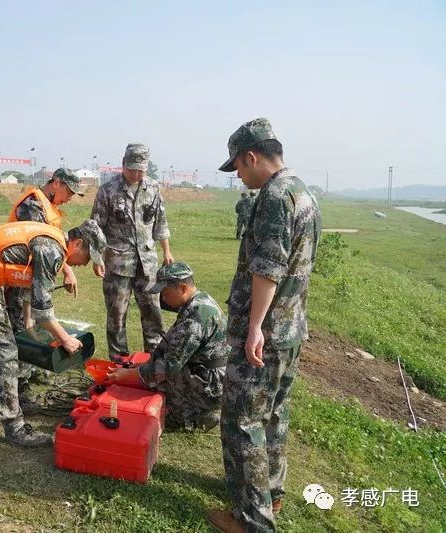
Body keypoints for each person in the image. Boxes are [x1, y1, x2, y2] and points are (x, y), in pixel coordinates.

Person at [206, 118, 322, 533]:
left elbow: (269, 267)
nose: (238, 175)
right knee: (273, 415)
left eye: (237, 166)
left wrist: (254, 327)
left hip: (267, 336)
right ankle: (271, 494)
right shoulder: (303, 192)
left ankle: (253, 522)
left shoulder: (274, 196)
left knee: (243, 421)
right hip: (291, 331)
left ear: (252, 156)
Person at [0, 219, 107, 447]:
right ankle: (14, 428)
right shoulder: (51, 250)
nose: (85, 264)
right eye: (87, 256)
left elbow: (25, 282)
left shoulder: (52, 243)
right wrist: (65, 339)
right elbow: (43, 310)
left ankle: (17, 398)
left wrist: (27, 324)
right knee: (0, 351)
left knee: (8, 343)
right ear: (78, 243)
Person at [106, 262, 228, 431]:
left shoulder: (195, 318)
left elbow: (169, 367)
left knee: (154, 391)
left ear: (183, 288)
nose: (163, 299)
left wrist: (131, 375)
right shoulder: (200, 300)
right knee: (150, 376)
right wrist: (141, 368)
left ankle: (197, 415)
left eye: (166, 293)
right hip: (207, 372)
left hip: (208, 382)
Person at [7, 168, 85, 408]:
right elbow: (42, 245)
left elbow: (56, 244)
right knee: (21, 329)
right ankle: (21, 390)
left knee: (31, 326)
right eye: (69, 191)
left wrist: (67, 269)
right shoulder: (32, 205)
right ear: (57, 183)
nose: (70, 198)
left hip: (31, 276)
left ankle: (30, 370)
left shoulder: (49, 208)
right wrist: (66, 269)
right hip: (16, 275)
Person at [91, 143, 174, 356]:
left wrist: (166, 251)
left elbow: (160, 222)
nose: (137, 173)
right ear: (123, 165)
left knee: (153, 312)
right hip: (118, 263)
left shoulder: (153, 188)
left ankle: (155, 359)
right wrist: (96, 257)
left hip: (147, 263)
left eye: (141, 169)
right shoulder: (107, 191)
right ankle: (119, 361)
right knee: (117, 314)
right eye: (133, 168)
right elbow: (96, 227)